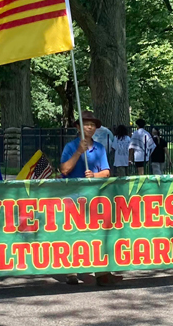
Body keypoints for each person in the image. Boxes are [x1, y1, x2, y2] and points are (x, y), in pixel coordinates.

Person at [60, 111, 122, 286]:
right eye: (86, 124)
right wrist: (79, 152)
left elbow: (106, 172)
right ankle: (71, 271)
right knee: (73, 233)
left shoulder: (100, 148)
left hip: (95, 198)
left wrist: (94, 175)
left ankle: (101, 272)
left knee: (97, 233)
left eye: (92, 125)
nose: (89, 127)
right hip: (73, 198)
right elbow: (64, 169)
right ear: (78, 127)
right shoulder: (70, 147)